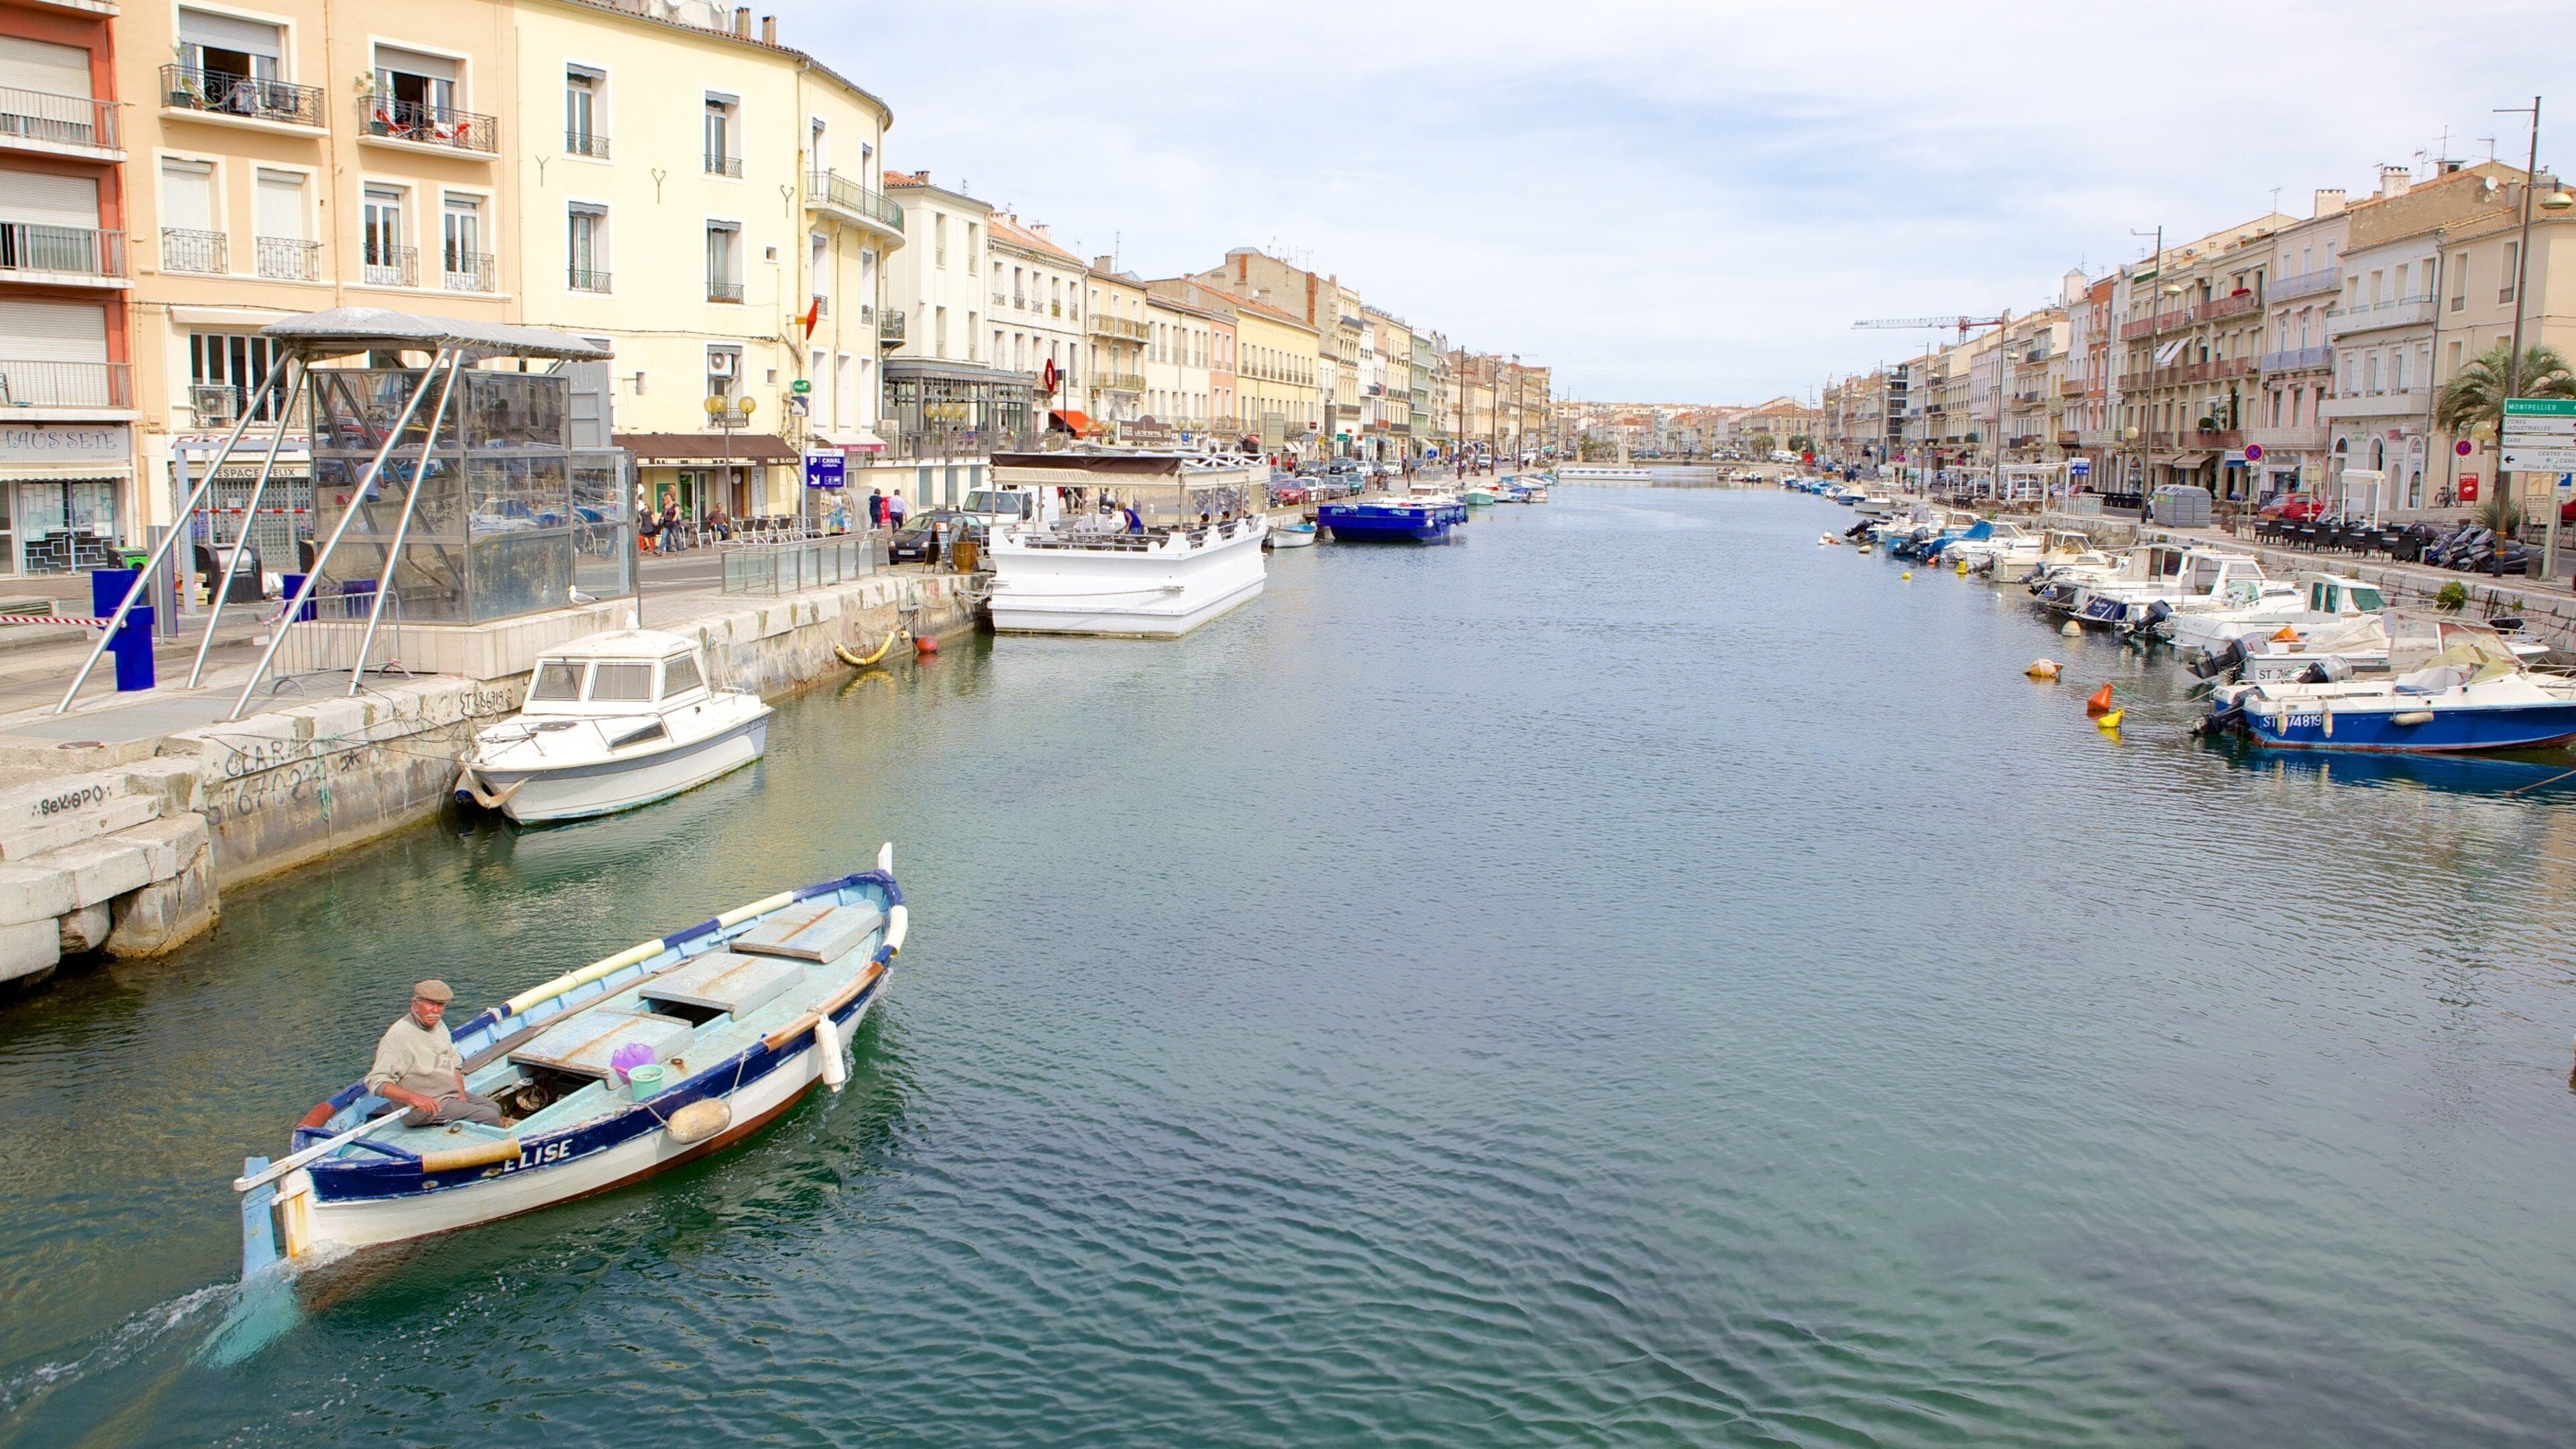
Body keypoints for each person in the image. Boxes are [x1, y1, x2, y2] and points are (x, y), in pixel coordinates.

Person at [368, 979, 504, 1126]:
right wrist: (414, 1098)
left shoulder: (439, 1025)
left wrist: (461, 1096)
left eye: (440, 1005)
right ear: (415, 1005)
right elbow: (376, 1082)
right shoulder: (399, 1036)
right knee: (489, 1116)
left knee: (495, 1107)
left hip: (447, 1095)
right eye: (430, 1004)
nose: (435, 1011)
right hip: (421, 1109)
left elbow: (455, 1064)